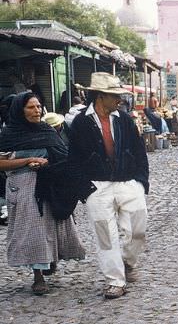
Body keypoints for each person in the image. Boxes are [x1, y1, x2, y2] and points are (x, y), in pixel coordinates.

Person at [0, 92, 90, 295]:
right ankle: (38, 275)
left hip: (50, 184)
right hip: (23, 187)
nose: (37, 111)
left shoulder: (47, 131)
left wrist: (49, 164)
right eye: (31, 107)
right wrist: (27, 160)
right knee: (34, 230)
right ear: (20, 110)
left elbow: (62, 156)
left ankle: (50, 258)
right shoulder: (8, 135)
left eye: (39, 107)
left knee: (53, 224)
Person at [70, 73, 149, 300]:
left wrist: (141, 181)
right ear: (100, 96)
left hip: (127, 182)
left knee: (138, 229)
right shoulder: (81, 123)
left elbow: (139, 151)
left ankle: (127, 261)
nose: (119, 99)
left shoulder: (124, 119)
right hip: (97, 187)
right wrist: (85, 190)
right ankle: (115, 281)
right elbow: (73, 159)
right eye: (114, 96)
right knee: (106, 236)